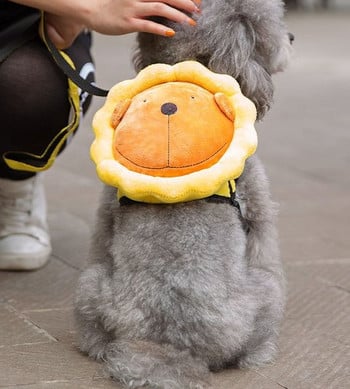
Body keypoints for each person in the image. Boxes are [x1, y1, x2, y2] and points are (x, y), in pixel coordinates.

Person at [0, 0, 200, 271]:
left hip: (19, 25)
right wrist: (89, 7)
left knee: (30, 86)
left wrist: (65, 12)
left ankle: (14, 181)